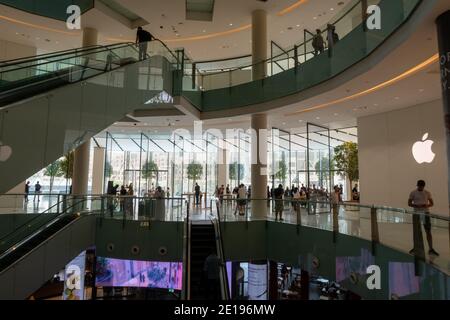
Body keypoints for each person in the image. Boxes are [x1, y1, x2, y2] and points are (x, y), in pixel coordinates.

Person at [408, 180, 439, 256]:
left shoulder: (427, 193)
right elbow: (409, 203)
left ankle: (431, 248)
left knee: (428, 231)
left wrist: (426, 205)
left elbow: (432, 203)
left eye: (421, 186)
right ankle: (416, 247)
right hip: (416, 214)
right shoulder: (413, 193)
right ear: (417, 185)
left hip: (425, 213)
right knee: (416, 232)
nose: (420, 187)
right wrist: (416, 206)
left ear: (423, 186)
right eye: (419, 186)